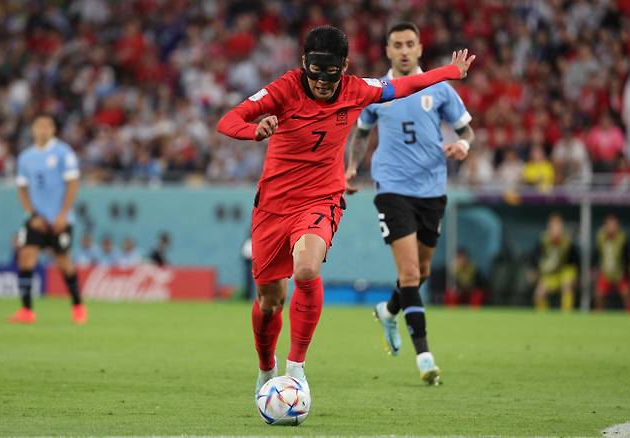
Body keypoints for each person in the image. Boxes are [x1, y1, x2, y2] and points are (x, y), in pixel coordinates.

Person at [216, 25, 474, 395]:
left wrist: (449, 72)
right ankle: (266, 367)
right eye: (315, 72)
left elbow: (403, 87)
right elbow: (228, 120)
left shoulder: (356, 89)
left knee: (307, 268)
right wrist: (255, 130)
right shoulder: (284, 89)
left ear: (344, 66)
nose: (322, 81)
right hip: (273, 205)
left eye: (331, 72)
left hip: (321, 198)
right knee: (269, 303)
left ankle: (297, 368)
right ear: (305, 63)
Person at [344, 22, 475, 385]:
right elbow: (361, 131)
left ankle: (388, 310)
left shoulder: (440, 89)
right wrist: (352, 167)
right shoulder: (380, 91)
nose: (403, 50)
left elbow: (466, 130)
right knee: (411, 274)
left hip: (432, 188)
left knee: (423, 270)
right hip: (392, 187)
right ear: (387, 51)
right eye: (397, 45)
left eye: (409, 44)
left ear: (419, 49)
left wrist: (463, 146)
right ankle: (425, 357)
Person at [10, 114, 86, 324]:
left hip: (60, 220)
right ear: (33, 129)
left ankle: (78, 306)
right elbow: (22, 188)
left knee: (64, 263)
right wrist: (31, 214)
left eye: (46, 126)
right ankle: (26, 311)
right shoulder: (25, 157)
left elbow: (72, 184)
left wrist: (63, 214)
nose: (42, 130)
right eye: (38, 126)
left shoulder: (63, 153)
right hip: (36, 220)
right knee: (26, 257)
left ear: (53, 129)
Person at [529, 213, 578, 311]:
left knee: (567, 285)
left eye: (558, 227)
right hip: (550, 274)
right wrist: (533, 271)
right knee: (539, 293)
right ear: (549, 228)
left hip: (564, 272)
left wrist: (574, 278)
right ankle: (543, 317)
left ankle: (567, 315)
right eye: (553, 227)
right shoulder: (543, 241)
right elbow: (534, 257)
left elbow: (575, 261)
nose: (556, 231)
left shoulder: (567, 242)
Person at [593, 214, 630, 311]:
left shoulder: (623, 239)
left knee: (626, 293)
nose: (611, 227)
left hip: (620, 274)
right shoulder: (600, 238)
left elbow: (626, 258)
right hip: (606, 273)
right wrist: (594, 269)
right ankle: (598, 315)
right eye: (609, 225)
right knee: (599, 294)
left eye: (614, 224)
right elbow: (596, 255)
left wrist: (626, 273)